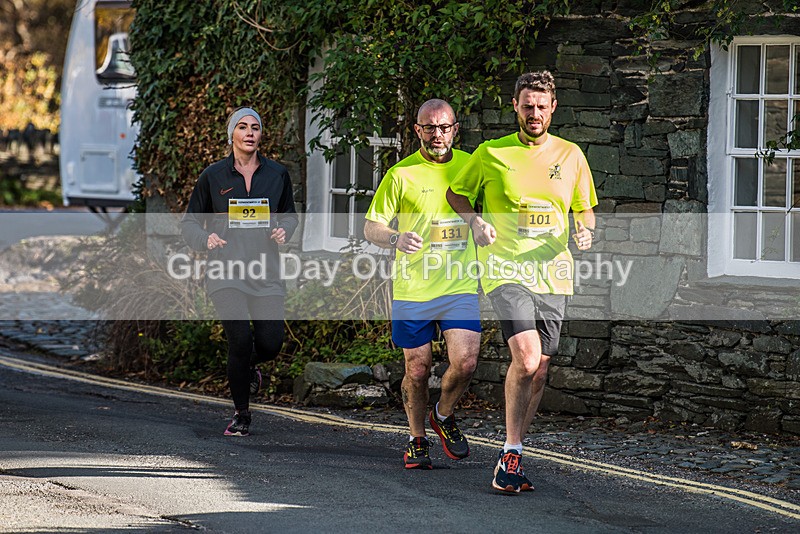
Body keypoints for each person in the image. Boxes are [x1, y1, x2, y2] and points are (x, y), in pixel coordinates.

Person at [446, 71, 597, 492]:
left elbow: (585, 210)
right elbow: (456, 194)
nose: (534, 113)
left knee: (541, 370)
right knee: (527, 360)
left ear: (553, 109)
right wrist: (474, 221)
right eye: (526, 105)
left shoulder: (571, 156)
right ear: (515, 105)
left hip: (552, 272)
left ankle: (515, 450)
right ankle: (510, 453)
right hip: (504, 268)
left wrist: (585, 230)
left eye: (541, 106)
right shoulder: (490, 153)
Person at [364, 99, 481, 469]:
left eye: (444, 127)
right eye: (429, 128)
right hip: (413, 288)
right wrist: (395, 238)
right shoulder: (400, 174)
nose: (437, 135)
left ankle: (442, 416)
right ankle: (417, 438)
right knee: (417, 369)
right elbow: (371, 227)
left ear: (455, 129)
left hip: (459, 284)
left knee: (465, 362)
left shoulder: (471, 166)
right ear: (417, 130)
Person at [182, 106, 298, 437]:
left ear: (261, 135)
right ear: (232, 134)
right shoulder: (213, 176)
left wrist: (285, 231)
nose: (250, 133)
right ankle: (241, 414)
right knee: (240, 339)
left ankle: (245, 367)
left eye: (255, 127)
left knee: (271, 343)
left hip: (265, 272)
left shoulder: (277, 174)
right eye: (243, 127)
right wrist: (206, 239)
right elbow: (189, 223)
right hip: (225, 272)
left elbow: (289, 215)